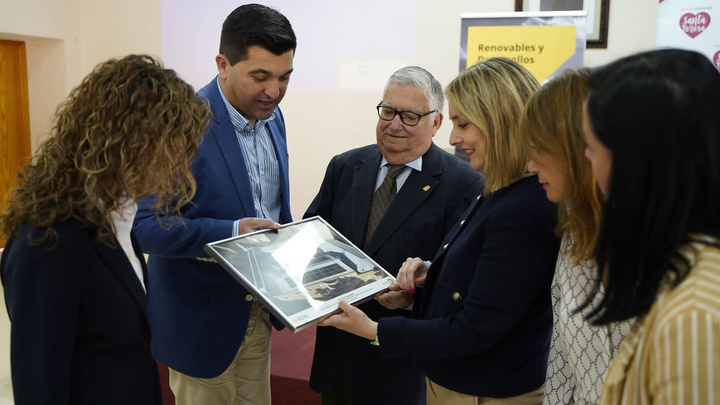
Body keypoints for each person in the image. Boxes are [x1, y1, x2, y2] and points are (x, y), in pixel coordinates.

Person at [320, 57, 560, 404]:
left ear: (499, 123)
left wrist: (372, 329)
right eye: (387, 111)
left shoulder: (517, 204)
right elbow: (485, 278)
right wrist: (429, 276)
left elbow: (474, 327)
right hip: (443, 376)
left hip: (480, 386)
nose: (454, 137)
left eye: (462, 123)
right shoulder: (498, 187)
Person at [0, 54, 209, 404]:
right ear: (128, 139)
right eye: (173, 144)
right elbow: (40, 382)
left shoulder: (118, 215)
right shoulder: (48, 238)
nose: (180, 162)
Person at [132, 4, 296, 405]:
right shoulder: (178, 123)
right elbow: (147, 228)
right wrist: (233, 232)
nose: (273, 90)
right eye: (260, 76)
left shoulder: (273, 118)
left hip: (257, 310)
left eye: (284, 77)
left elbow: (274, 210)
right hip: (199, 323)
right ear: (223, 64)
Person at [305, 66, 484, 405]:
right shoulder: (345, 166)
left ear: (436, 122)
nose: (394, 123)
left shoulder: (465, 184)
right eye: (387, 111)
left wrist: (412, 297)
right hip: (338, 356)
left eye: (410, 116)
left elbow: (460, 282)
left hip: (403, 365)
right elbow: (311, 239)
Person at [580, 49, 720, 404]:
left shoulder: (694, 319)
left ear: (635, 166)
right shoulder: (683, 272)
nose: (585, 159)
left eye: (591, 147)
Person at [519, 68, 633, 405]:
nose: (530, 166)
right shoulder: (574, 230)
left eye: (539, 149)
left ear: (578, 148)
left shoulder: (668, 244)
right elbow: (563, 359)